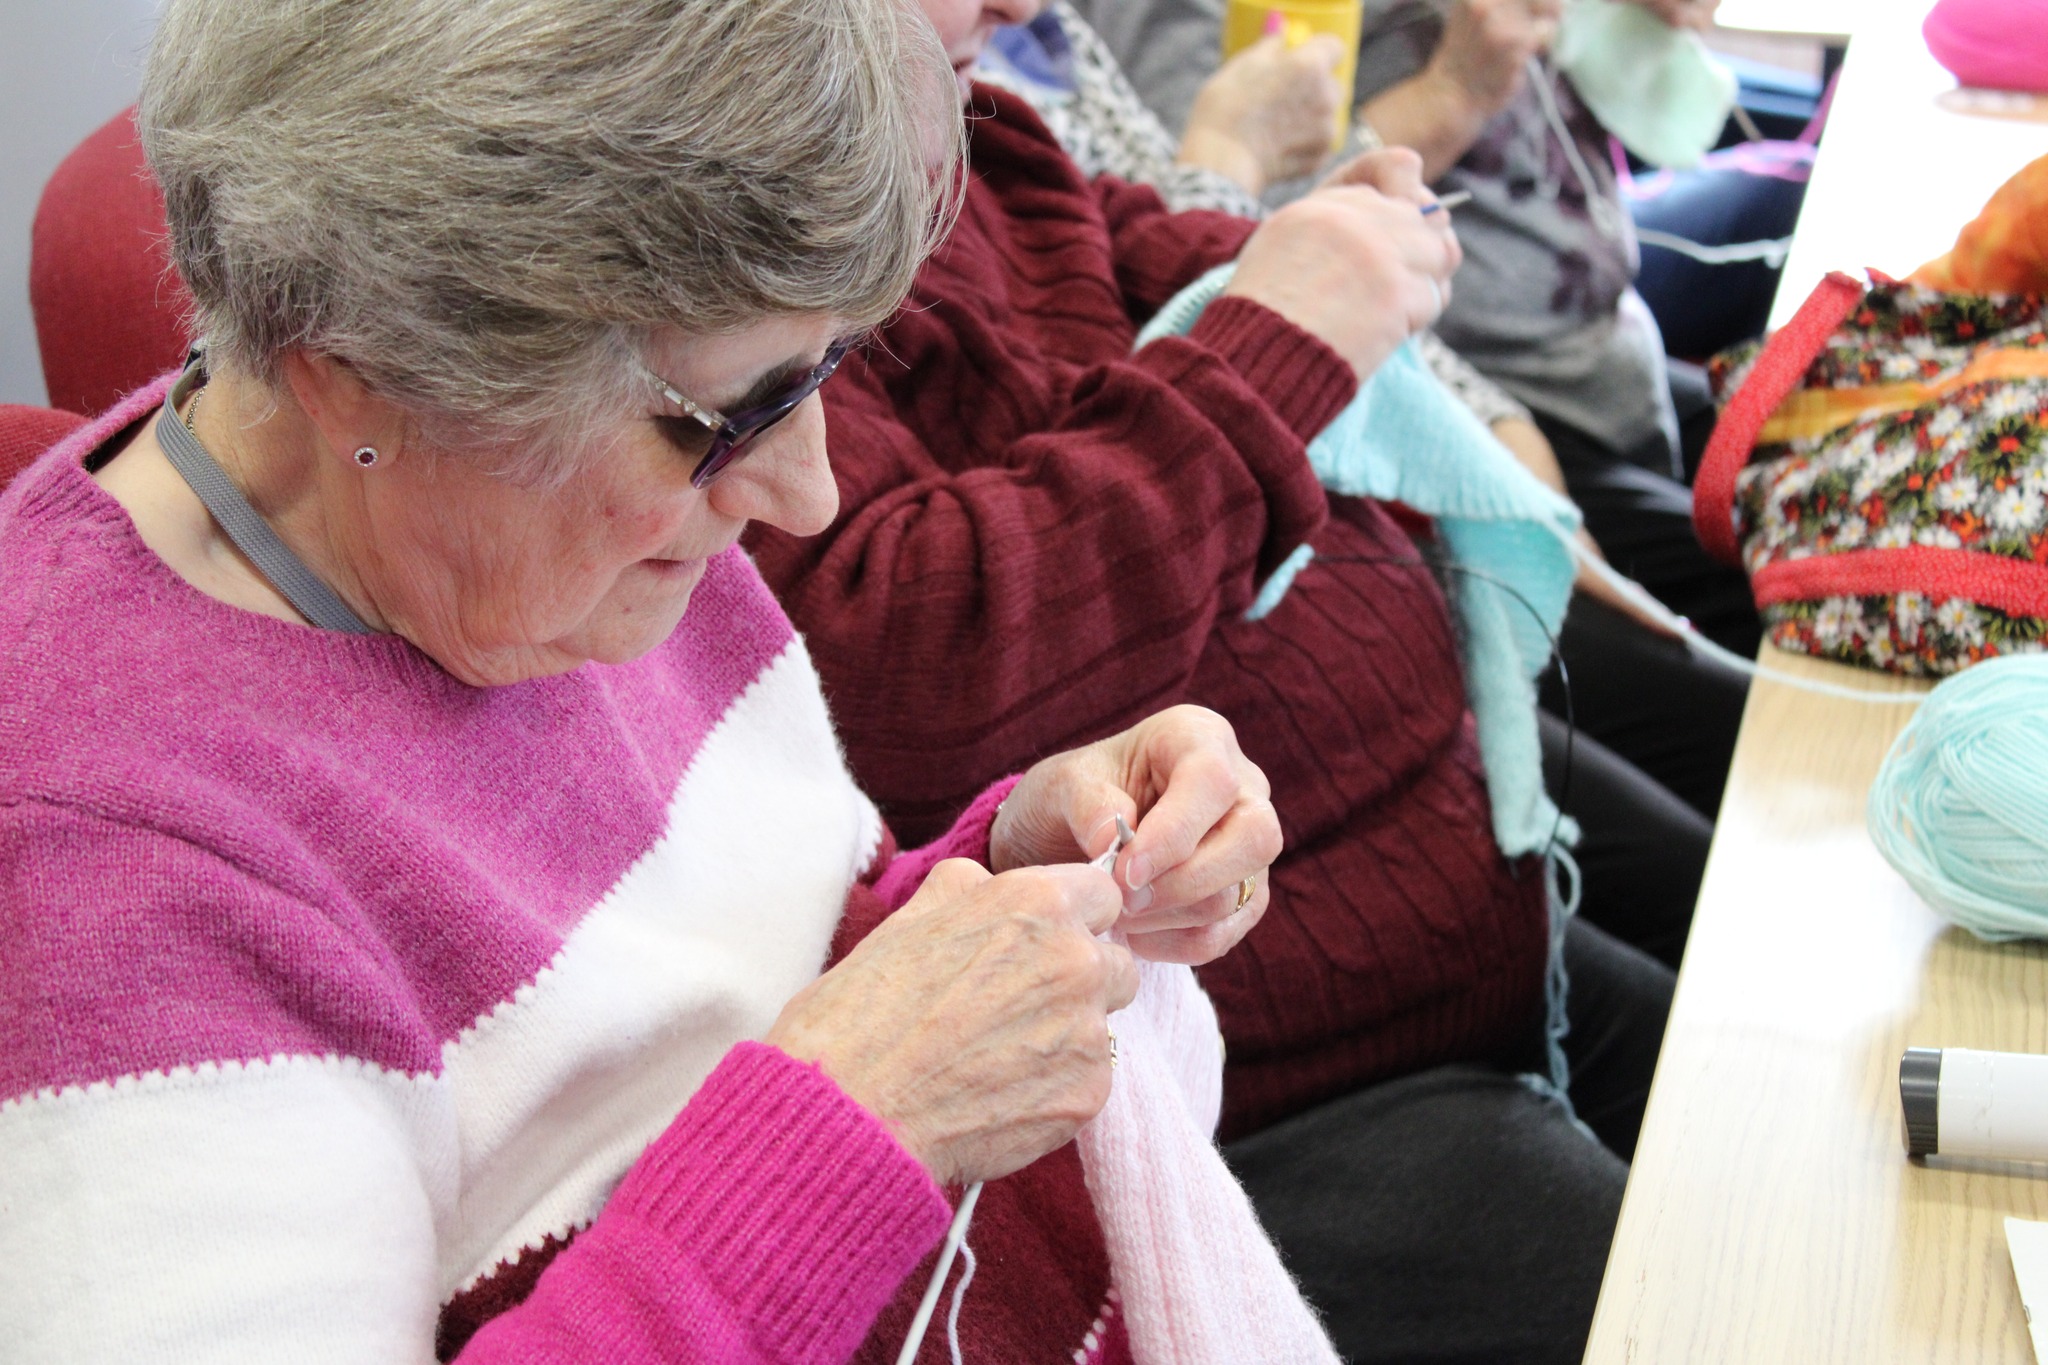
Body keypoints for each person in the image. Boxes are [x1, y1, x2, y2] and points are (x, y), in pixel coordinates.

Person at [0, 2, 1307, 1361]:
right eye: (728, 415)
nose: (804, 492)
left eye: (825, 374)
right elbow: (784, 1112)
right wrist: (848, 1132)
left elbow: (736, 966)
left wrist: (1006, 869)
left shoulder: (525, 528)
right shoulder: (102, 882)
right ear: (356, 379)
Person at [747, 1, 1677, 1359]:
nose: (1019, 11)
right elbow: (899, 670)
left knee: (1799, 1066)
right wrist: (1276, 332)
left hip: (1444, 875)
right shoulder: (752, 254)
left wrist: (1306, 247)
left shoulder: (974, 135)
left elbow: (1128, 261)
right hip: (1287, 1074)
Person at [976, 0, 1744, 955]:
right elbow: (1213, 297)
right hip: (1364, 533)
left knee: (1736, 804)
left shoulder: (1035, 58)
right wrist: (1415, 112)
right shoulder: (971, 108)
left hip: (1456, 441)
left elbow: (1220, 248)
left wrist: (1489, 414)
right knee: (1734, 820)